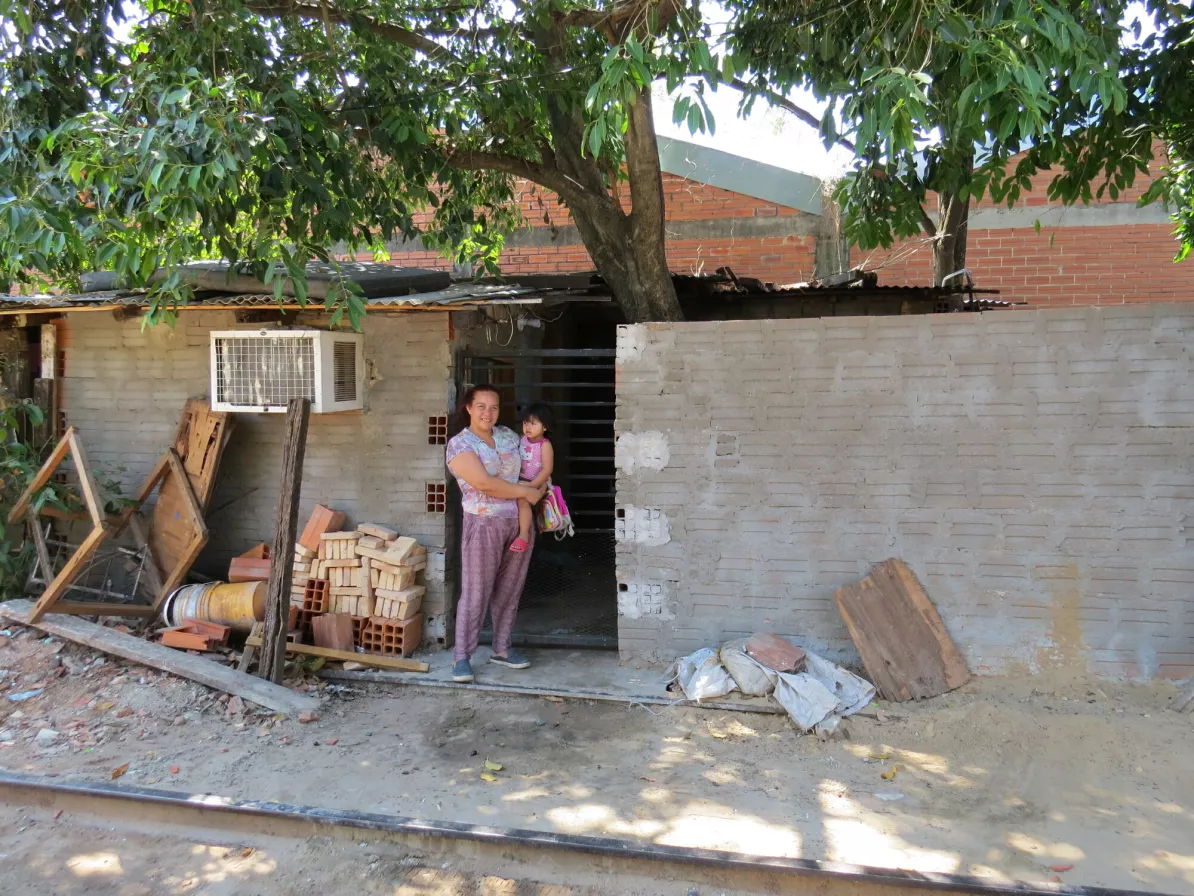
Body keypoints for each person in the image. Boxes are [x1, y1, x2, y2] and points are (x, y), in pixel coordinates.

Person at [445, 384, 547, 683]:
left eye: (493, 407)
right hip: (482, 524)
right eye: (481, 406)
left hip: (518, 523)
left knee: (509, 591)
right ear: (468, 408)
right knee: (476, 592)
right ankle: (462, 657)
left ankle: (502, 649)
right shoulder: (460, 445)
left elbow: (533, 461)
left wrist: (539, 486)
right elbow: (484, 484)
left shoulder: (508, 436)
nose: (488, 413)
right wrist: (526, 492)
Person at [510, 402, 555, 554]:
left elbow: (547, 469)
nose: (527, 427)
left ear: (545, 427)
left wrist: (532, 486)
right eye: (525, 423)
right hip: (520, 480)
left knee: (522, 502)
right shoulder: (521, 439)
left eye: (533, 423)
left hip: (534, 481)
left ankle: (523, 537)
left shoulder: (545, 445)